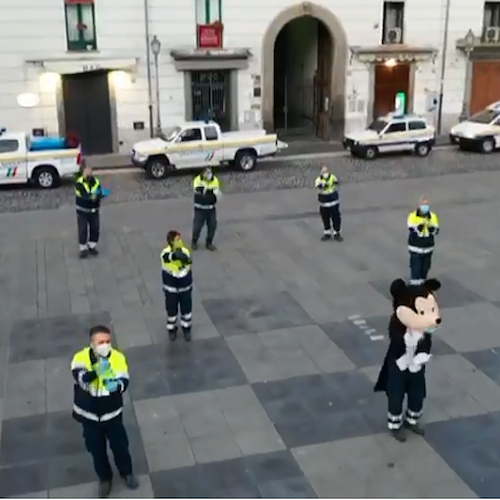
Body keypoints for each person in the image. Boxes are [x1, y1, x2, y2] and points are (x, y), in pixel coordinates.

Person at [71, 325, 137, 498]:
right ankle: (105, 478)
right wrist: (97, 371)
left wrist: (115, 384)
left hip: (112, 414)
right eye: (101, 342)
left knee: (120, 446)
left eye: (108, 341)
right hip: (90, 416)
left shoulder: (117, 357)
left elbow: (123, 381)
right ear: (92, 343)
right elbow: (81, 379)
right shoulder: (80, 357)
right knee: (97, 450)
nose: (105, 345)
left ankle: (126, 472)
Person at [161, 230, 193, 342]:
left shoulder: (185, 251)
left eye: (180, 239)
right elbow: (169, 263)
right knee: (171, 309)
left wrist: (184, 259)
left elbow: (187, 266)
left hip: (185, 287)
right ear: (170, 242)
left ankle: (186, 328)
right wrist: (175, 256)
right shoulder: (165, 253)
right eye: (177, 240)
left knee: (186, 308)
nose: (180, 241)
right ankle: (171, 329)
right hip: (171, 288)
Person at [407, 197, 440, 285]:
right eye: (423, 204)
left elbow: (436, 230)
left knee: (425, 268)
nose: (425, 207)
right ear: (419, 205)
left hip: (428, 247)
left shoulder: (432, 216)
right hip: (416, 248)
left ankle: (422, 284)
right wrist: (418, 228)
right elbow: (411, 229)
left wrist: (432, 229)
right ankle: (415, 287)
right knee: (416, 268)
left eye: (426, 205)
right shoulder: (412, 216)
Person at [75, 164, 105, 258]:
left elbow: (99, 191)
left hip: (94, 211)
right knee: (83, 230)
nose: (88, 173)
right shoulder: (79, 183)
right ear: (83, 172)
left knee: (95, 229)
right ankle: (83, 249)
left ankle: (92, 246)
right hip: (82, 211)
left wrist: (100, 195)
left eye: (90, 171)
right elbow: (84, 195)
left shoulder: (96, 181)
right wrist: (93, 197)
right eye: (86, 171)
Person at [191, 167, 221, 251]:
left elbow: (217, 193)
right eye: (207, 172)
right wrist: (209, 192)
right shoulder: (198, 180)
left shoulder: (214, 180)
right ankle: (194, 241)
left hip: (211, 209)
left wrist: (208, 192)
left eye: (210, 172)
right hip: (199, 209)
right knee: (197, 227)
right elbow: (198, 192)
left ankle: (209, 243)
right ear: (202, 173)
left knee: (212, 226)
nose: (209, 174)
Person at [314, 165, 343, 241]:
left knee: (336, 218)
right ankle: (327, 233)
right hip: (324, 203)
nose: (325, 173)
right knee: (325, 219)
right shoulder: (318, 180)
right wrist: (324, 186)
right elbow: (319, 187)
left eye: (326, 171)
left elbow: (336, 184)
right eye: (323, 172)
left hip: (333, 202)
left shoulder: (333, 177)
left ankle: (337, 233)